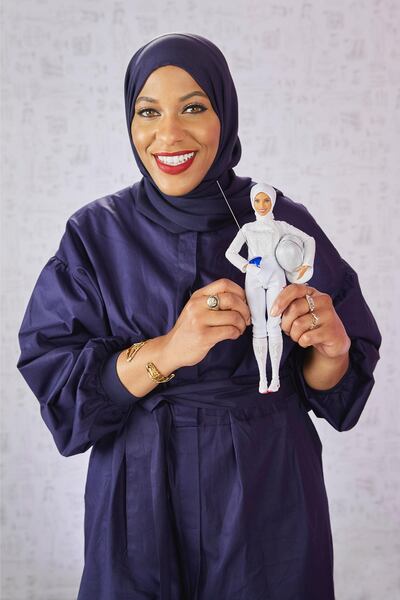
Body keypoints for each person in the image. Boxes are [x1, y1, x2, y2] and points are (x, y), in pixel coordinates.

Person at [16, 32, 382, 600]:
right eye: (148, 112)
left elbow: (331, 389)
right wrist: (168, 350)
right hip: (138, 496)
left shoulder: (281, 222)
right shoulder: (95, 235)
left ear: (225, 113)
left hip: (269, 490)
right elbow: (61, 389)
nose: (168, 135)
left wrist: (331, 350)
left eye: (192, 108)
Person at [225, 182, 316, 393]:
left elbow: (309, 239)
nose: (262, 205)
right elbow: (230, 253)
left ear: (272, 202)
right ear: (252, 202)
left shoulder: (280, 226)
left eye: (266, 200)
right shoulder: (247, 229)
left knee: (274, 324)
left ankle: (275, 377)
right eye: (257, 200)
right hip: (254, 278)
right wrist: (246, 266)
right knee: (258, 326)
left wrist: (307, 263)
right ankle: (262, 378)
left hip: (276, 276)